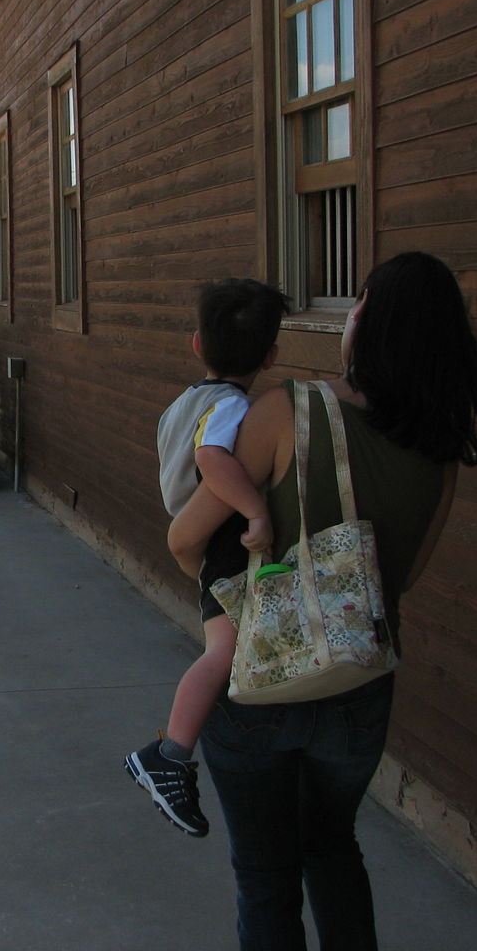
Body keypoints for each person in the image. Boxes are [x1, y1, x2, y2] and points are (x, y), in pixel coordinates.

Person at [167, 252, 477, 950]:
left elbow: (186, 534)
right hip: (360, 678)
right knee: (332, 851)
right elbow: (402, 575)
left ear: (369, 323)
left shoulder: (285, 411)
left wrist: (207, 578)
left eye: (358, 301)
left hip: (258, 683)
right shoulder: (439, 450)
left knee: (266, 876)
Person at [124, 278, 290, 837]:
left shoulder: (185, 401)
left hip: (196, 527)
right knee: (224, 650)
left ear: (197, 344)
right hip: (223, 534)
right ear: (270, 355)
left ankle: (176, 751)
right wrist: (257, 511)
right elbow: (213, 457)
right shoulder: (231, 406)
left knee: (227, 646)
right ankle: (169, 754)